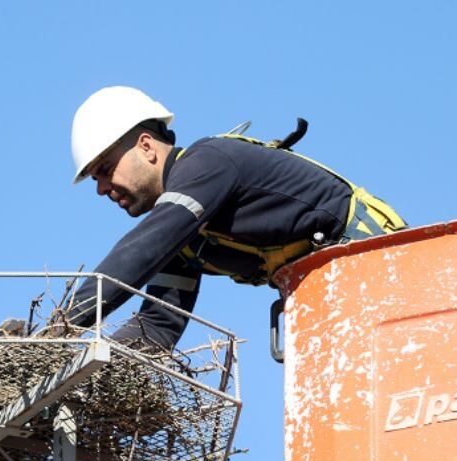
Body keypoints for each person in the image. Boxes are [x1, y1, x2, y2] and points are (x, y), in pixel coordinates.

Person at [61, 86, 405, 350]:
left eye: (105, 170)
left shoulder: (206, 164)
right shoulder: (185, 238)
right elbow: (157, 325)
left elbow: (142, 250)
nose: (102, 189)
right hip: (342, 297)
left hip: (383, 271)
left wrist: (58, 330)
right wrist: (82, 376)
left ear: (147, 147)